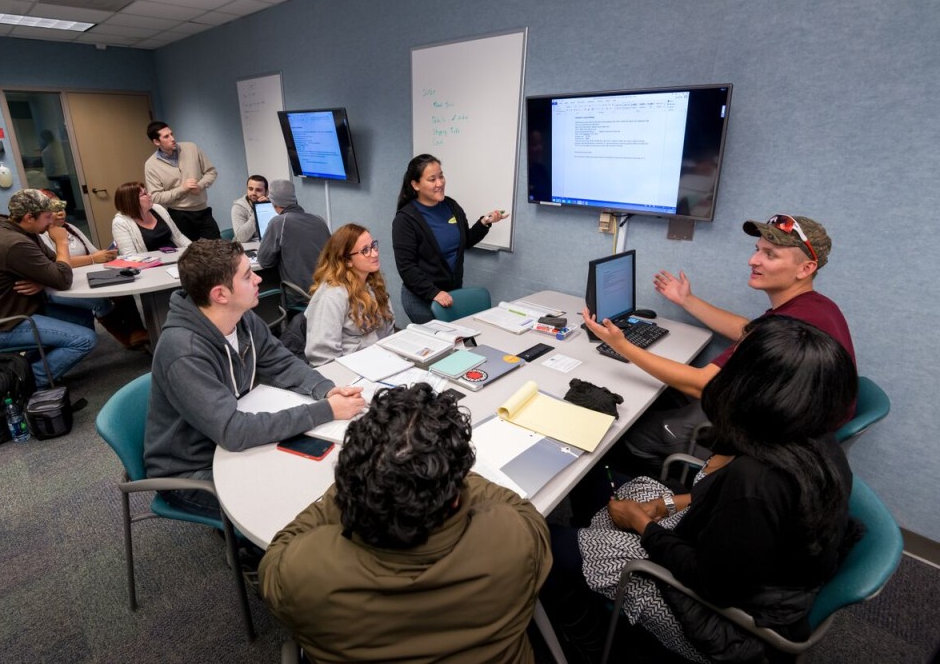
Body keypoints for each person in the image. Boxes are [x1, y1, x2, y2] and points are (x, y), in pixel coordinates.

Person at [545, 315, 859, 663]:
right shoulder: (813, 442)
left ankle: (589, 640)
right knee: (607, 487)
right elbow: (736, 515)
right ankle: (587, 564)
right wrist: (666, 505)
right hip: (764, 579)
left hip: (725, 623)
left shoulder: (755, 481)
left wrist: (641, 525)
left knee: (542, 545)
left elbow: (711, 584)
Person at [259, 383, 552, 663]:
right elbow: (522, 509)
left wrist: (351, 485)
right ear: (453, 493)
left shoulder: (301, 573)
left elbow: (277, 553)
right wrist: (448, 472)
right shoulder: (515, 538)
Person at [584, 214, 855, 477]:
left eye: (770, 255)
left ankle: (661, 496)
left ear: (806, 268)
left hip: (767, 443)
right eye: (757, 250)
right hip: (797, 429)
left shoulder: (789, 323)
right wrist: (687, 300)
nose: (753, 260)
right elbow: (746, 329)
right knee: (660, 397)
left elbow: (702, 384)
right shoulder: (816, 307)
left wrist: (622, 345)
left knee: (625, 431)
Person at [144, 238, 365, 519]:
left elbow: (281, 361)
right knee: (294, 506)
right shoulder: (183, 351)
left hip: (225, 444)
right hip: (190, 469)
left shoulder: (241, 318)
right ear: (220, 295)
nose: (259, 279)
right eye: (248, 276)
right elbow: (233, 431)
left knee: (316, 478)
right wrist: (326, 411)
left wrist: (326, 391)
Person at [0, 189, 97, 387]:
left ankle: (41, 366)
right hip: (0, 325)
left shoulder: (23, 231)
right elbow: (63, 279)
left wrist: (45, 279)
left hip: (15, 311)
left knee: (84, 317)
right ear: (28, 217)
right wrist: (61, 242)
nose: (51, 220)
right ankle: (23, 383)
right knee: (85, 340)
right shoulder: (14, 242)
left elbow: (53, 265)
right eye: (47, 216)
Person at [392, 153, 509, 324]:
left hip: (451, 294)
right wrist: (434, 293)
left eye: (441, 176)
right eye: (432, 179)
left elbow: (466, 241)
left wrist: (485, 222)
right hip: (422, 299)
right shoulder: (406, 219)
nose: (440, 183)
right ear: (415, 184)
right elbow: (406, 267)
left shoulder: (451, 206)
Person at [39, 196, 148, 349]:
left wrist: (107, 254)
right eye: (54, 210)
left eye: (62, 209)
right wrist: (92, 259)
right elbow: (56, 263)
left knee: (120, 286)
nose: (60, 214)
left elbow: (94, 252)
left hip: (85, 277)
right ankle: (127, 339)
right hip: (61, 286)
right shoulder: (40, 235)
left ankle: (138, 331)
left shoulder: (71, 228)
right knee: (99, 302)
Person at [304, 223, 395, 366]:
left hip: (379, 361)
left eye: (373, 246)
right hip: (349, 370)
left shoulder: (373, 284)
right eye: (365, 250)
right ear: (347, 261)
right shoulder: (332, 295)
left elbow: (388, 332)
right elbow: (322, 357)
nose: (375, 253)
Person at [256, 179, 330, 307]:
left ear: (273, 202)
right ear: (294, 200)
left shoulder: (279, 222)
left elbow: (264, 261)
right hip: (325, 291)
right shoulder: (319, 220)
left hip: (300, 295)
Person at [143, 120, 220, 240]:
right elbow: (156, 197)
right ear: (156, 142)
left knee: (218, 248)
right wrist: (182, 189)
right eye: (166, 137)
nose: (172, 138)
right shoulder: (151, 165)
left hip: (203, 209)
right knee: (188, 254)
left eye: (172, 134)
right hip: (179, 214)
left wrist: (200, 185)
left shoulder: (191, 148)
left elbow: (211, 171)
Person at [111, 181, 191, 255]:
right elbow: (129, 256)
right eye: (144, 194)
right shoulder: (120, 222)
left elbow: (179, 237)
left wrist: (195, 249)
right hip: (149, 266)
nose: (149, 195)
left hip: (176, 257)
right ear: (132, 201)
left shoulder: (158, 209)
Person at [230, 174, 269, 243]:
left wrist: (266, 207)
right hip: (244, 247)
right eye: (250, 189)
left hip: (264, 244)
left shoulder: (272, 205)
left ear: (266, 192)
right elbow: (241, 238)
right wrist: (258, 211)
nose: (253, 193)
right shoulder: (238, 207)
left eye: (258, 190)